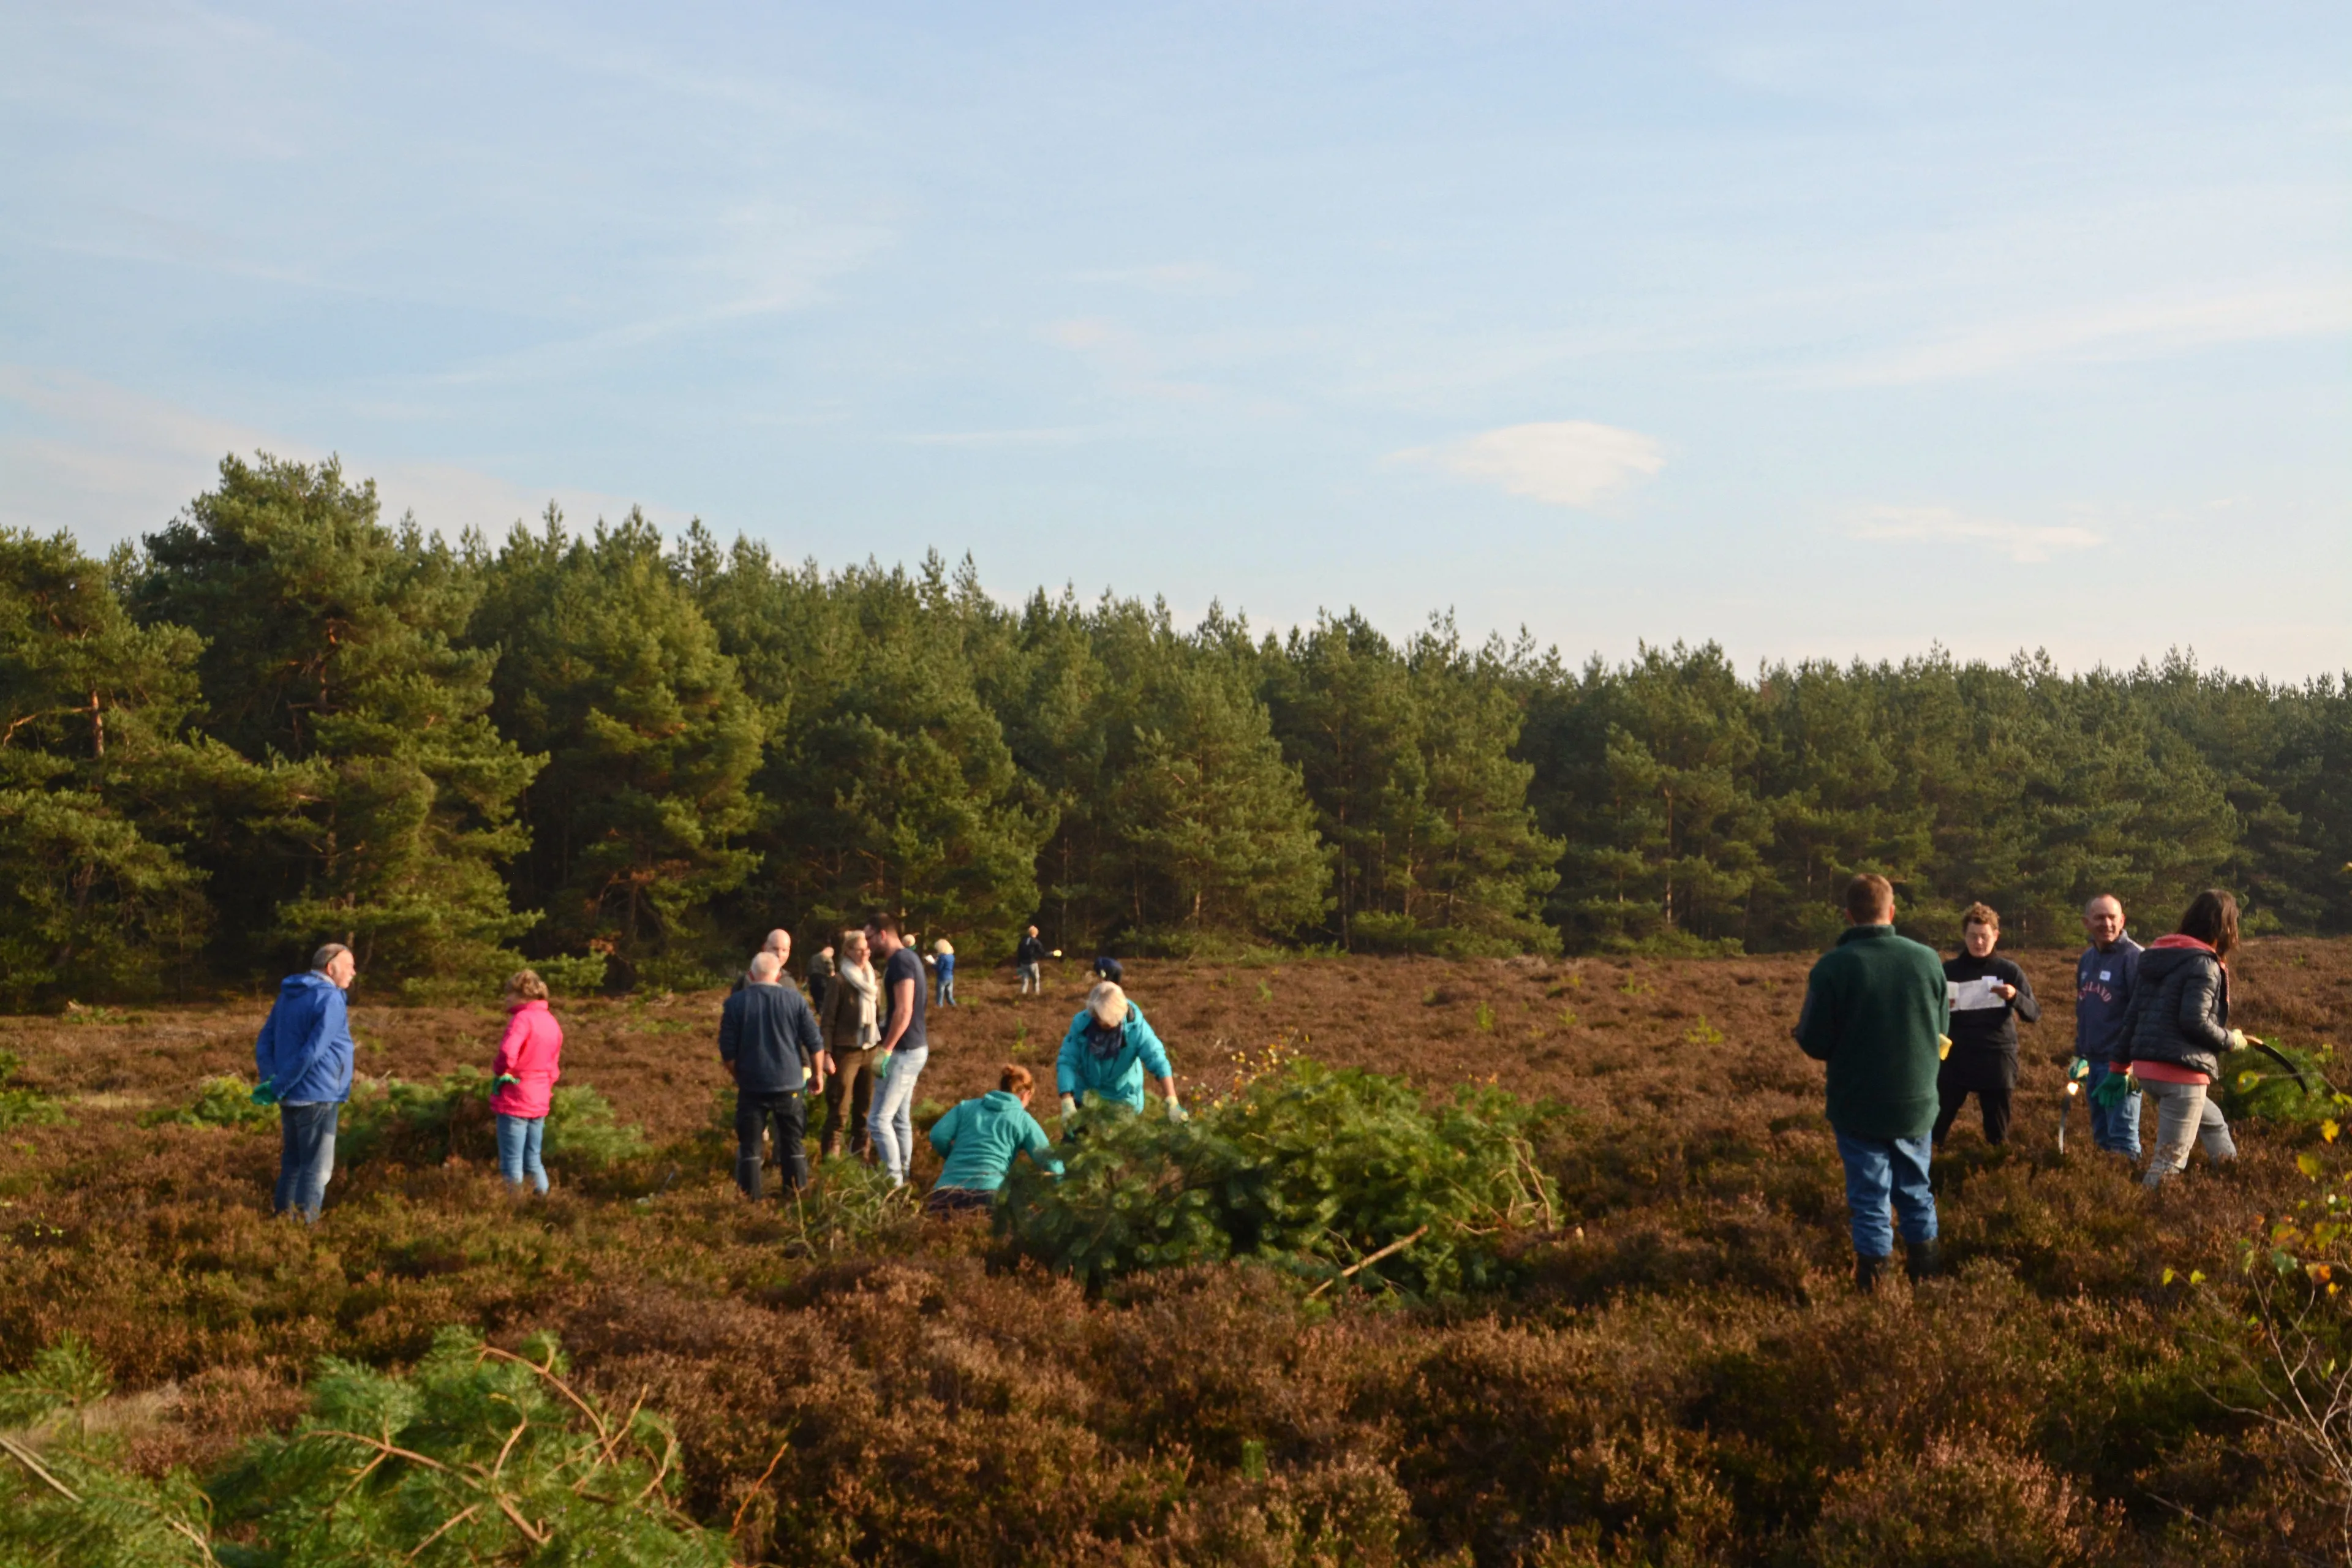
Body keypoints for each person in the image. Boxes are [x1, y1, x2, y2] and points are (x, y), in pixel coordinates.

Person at [1793, 873, 1951, 1291]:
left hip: (1857, 1104)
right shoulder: (1927, 960)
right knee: (1917, 1192)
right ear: (1892, 911)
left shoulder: (1833, 966)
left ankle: (1876, 1292)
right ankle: (1928, 1282)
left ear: (1848, 915)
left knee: (1869, 1201)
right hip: (1916, 1102)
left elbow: (1814, 1041)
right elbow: (1942, 1030)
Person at [2120, 889, 2248, 1189]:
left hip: (2148, 1068)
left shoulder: (2158, 956)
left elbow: (2133, 1014)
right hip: (2181, 1073)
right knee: (2169, 1162)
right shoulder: (2204, 963)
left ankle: (2234, 1179)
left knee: (2213, 1120)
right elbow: (2195, 1022)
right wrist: (2230, 1040)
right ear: (2226, 927)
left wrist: (2119, 1064)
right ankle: (2140, 1217)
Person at [253, 943, 358, 1224]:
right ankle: (303, 1230)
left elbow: (264, 1041)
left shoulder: (288, 995)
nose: (354, 973)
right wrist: (278, 1084)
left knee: (293, 1164)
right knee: (316, 1169)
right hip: (318, 1094)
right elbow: (313, 1051)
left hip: (290, 1095)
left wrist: (273, 1081)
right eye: (349, 966)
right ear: (330, 967)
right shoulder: (330, 998)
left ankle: (281, 1221)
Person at [1932, 903, 2039, 1148]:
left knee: (1997, 1135)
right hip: (1954, 1057)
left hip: (1997, 1057)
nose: (1978, 943)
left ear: (1996, 936)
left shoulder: (2008, 970)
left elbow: (2034, 1014)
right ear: (1964, 936)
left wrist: (2015, 997)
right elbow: (1927, 1013)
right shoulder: (1947, 970)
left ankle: (1995, 1172)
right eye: (1972, 936)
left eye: (1984, 937)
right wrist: (1939, 1005)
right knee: (1935, 1128)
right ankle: (1927, 1174)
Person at [718, 949, 823, 1197]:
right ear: (778, 976)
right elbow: (815, 1042)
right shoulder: (795, 1001)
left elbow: (728, 1052)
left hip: (752, 1085)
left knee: (750, 1147)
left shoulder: (735, 1004)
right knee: (792, 1143)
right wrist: (817, 1075)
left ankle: (750, 1201)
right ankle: (795, 1196)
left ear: (751, 975)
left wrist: (740, 1077)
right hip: (790, 1084)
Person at [924, 1063, 1065, 1216]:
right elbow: (1051, 1162)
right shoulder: (1022, 1119)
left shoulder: (966, 1107)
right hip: (990, 1194)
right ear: (1026, 1094)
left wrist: (952, 1157)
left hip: (946, 1193)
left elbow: (937, 1136)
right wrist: (1064, 1191)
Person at [2074, 894, 2143, 1159]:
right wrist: (2079, 1054)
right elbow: (2084, 1010)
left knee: (2123, 1139)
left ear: (2122, 920)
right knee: (2101, 1137)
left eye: (2112, 917)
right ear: (2086, 923)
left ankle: (2128, 1194)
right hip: (2093, 1063)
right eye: (2099, 918)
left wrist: (2128, 1065)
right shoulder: (2087, 960)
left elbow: (2142, 1014)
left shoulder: (2134, 958)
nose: (2106, 923)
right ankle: (2108, 1190)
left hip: (2120, 1066)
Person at [1057, 981, 1185, 1121]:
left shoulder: (1135, 1028)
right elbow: (1067, 1061)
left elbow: (1157, 1059)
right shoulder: (1082, 1026)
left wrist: (1171, 1100)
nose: (1103, 1025)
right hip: (1086, 1098)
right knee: (1076, 1140)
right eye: (1098, 1019)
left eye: (1108, 1024)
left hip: (1124, 1103)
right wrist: (1067, 1101)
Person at [864, 913, 930, 1188]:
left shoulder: (902, 962)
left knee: (878, 1121)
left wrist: (886, 1049)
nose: (867, 945)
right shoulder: (905, 960)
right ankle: (904, 1173)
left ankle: (893, 1183)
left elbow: (904, 1011)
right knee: (900, 1118)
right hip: (913, 1049)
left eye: (869, 938)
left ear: (882, 934)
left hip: (903, 1052)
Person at [489, 968, 563, 1194]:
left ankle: (515, 1209)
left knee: (511, 1161)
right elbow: (554, 1066)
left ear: (523, 994)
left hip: (515, 1099)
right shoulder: (551, 1022)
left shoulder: (521, 1019)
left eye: (510, 993)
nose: (506, 998)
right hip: (540, 1099)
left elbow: (507, 1052)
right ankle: (545, 1203)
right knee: (533, 1159)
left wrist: (501, 1072)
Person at [816, 929, 881, 1160]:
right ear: (848, 952)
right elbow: (827, 1021)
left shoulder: (875, 980)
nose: (865, 954)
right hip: (846, 1053)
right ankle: (831, 1169)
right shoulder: (839, 981)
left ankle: (859, 1165)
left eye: (867, 949)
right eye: (859, 950)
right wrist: (827, 1053)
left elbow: (880, 1016)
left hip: (871, 1051)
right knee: (839, 1113)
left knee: (865, 1112)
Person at [1015, 925, 1046, 995]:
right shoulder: (1036, 942)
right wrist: (1051, 954)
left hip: (1023, 964)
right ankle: (1036, 995)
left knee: (1025, 982)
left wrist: (1018, 965)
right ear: (1036, 933)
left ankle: (1022, 996)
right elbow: (1042, 952)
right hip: (1032, 964)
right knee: (1036, 981)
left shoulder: (1022, 941)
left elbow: (1019, 954)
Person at [807, 942, 836, 1014]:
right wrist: (833, 977)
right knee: (823, 996)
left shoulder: (813, 957)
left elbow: (808, 969)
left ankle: (819, 1011)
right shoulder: (827, 957)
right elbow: (830, 968)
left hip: (813, 979)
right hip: (822, 978)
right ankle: (823, 1013)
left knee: (816, 996)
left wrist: (808, 980)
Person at [933, 937, 957, 1008]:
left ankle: (939, 1009)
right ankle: (955, 1007)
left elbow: (939, 968)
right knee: (949, 996)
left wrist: (933, 964)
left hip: (942, 978)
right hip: (950, 977)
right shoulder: (952, 956)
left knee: (940, 996)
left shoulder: (942, 957)